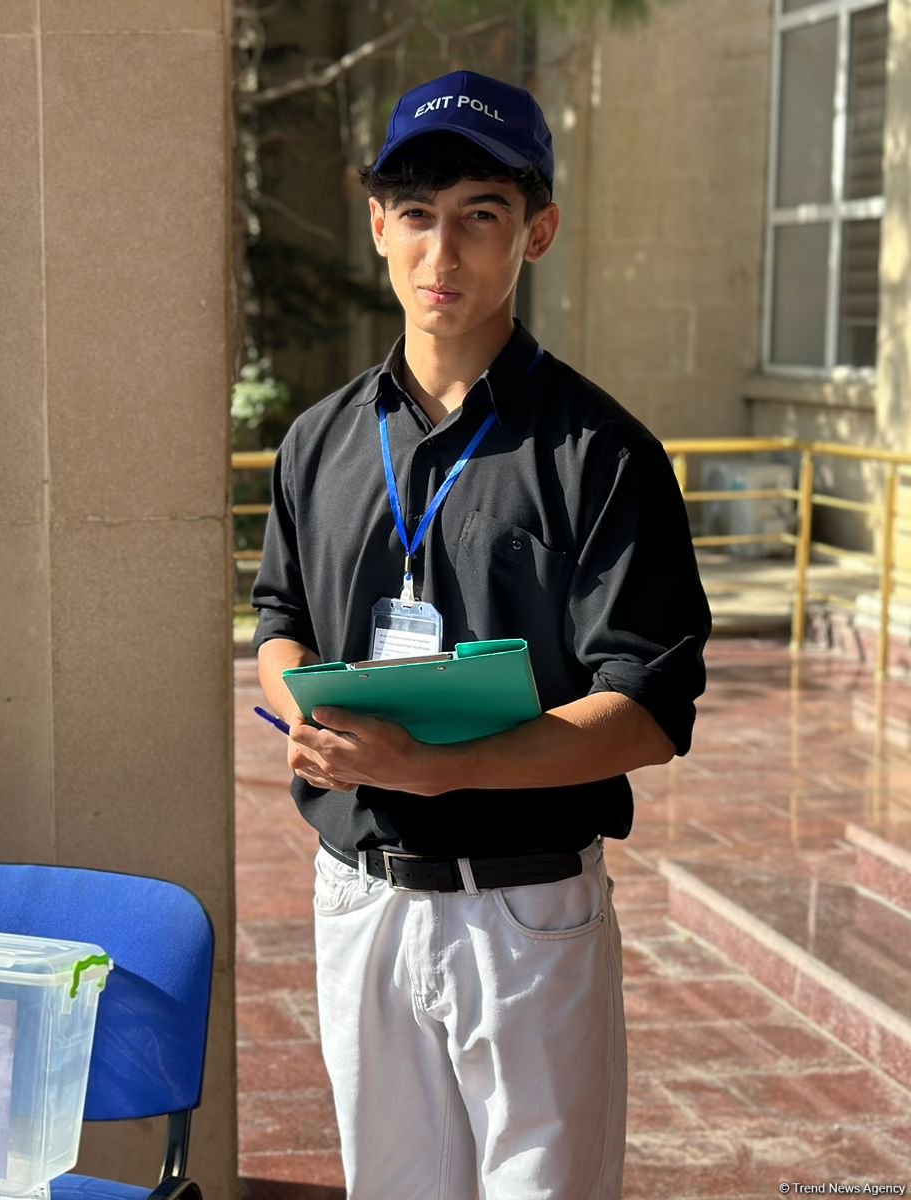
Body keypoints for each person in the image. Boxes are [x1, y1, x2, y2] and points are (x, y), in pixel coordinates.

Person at [250, 69, 711, 1199]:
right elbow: (279, 623)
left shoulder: (601, 453)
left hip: (520, 909)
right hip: (358, 897)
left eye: (479, 216)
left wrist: (442, 770)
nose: (440, 254)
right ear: (377, 229)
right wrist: (303, 704)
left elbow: (646, 714)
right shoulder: (319, 443)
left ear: (535, 232)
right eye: (415, 216)